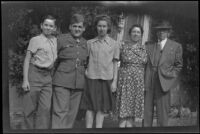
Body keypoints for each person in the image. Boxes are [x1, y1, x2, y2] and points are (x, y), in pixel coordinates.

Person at [81, 15, 120, 128]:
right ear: (96, 27)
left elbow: (115, 63)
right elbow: (85, 60)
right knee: (90, 106)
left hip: (106, 78)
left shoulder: (114, 44)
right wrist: (86, 71)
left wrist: (114, 82)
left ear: (108, 28)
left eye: (104, 26)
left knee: (102, 108)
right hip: (92, 78)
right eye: (99, 26)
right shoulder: (89, 43)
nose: (101, 28)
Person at [51, 14, 88, 129]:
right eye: (75, 26)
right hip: (62, 82)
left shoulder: (85, 43)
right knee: (60, 112)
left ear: (84, 28)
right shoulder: (61, 40)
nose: (77, 29)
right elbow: (52, 60)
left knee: (72, 114)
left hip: (78, 84)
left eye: (80, 27)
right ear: (70, 27)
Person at [143, 20, 183, 127]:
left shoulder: (176, 46)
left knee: (162, 112)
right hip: (149, 80)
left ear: (168, 33)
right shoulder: (149, 45)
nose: (161, 33)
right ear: (156, 33)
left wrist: (170, 77)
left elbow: (178, 66)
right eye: (159, 31)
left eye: (164, 31)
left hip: (164, 81)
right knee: (147, 111)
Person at [22, 15, 57, 129]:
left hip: (47, 77)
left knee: (45, 109)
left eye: (51, 26)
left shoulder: (55, 40)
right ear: (41, 26)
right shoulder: (35, 40)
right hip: (34, 74)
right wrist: (25, 80)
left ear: (54, 28)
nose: (48, 27)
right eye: (46, 25)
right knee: (29, 109)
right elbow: (27, 59)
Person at [115, 24, 147, 127]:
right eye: (134, 31)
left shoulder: (144, 49)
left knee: (132, 111)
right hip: (125, 81)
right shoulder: (122, 46)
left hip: (137, 82)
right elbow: (115, 63)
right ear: (129, 34)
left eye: (138, 32)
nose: (136, 34)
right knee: (123, 110)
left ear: (141, 35)